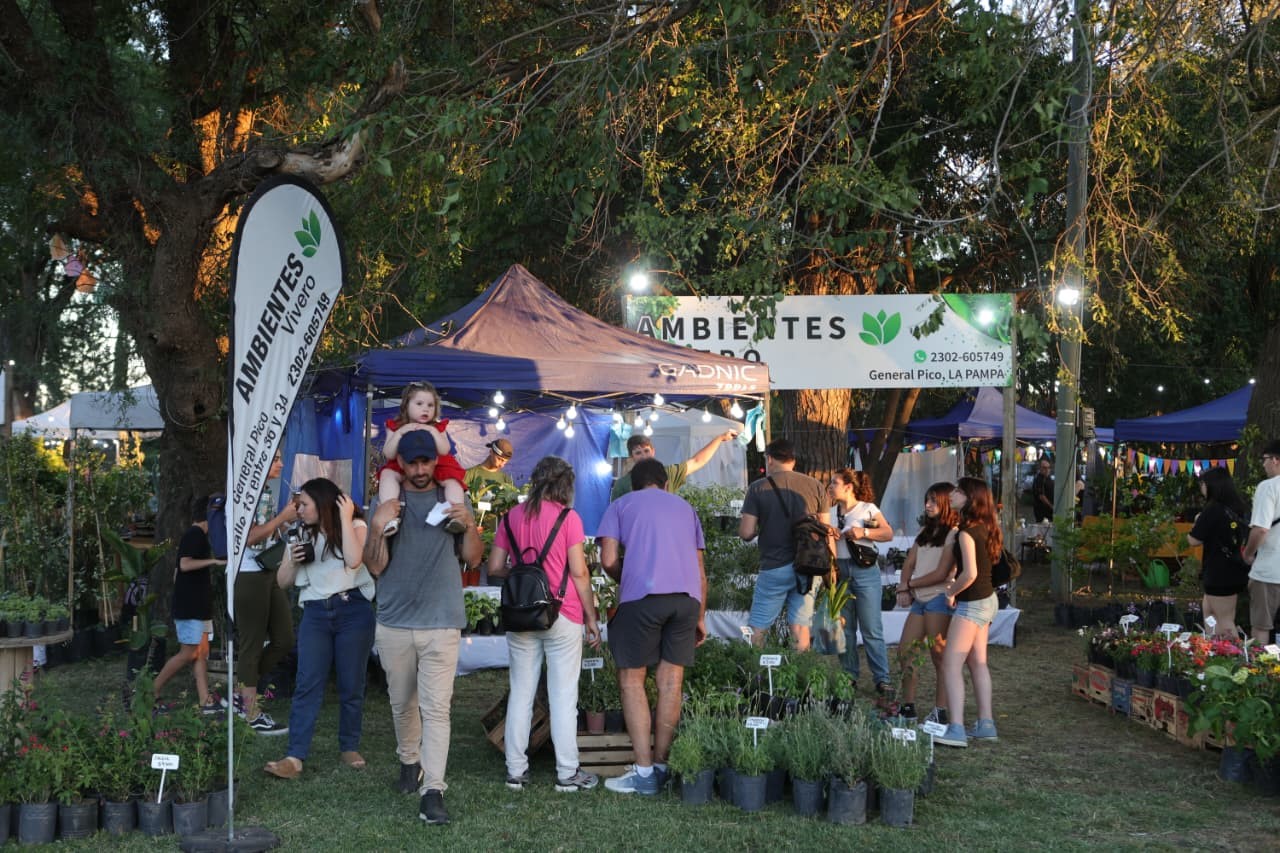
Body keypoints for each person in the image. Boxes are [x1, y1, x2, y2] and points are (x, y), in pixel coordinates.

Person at [363, 430, 483, 826]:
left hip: (442, 621)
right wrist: (378, 527)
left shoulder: (452, 500)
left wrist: (470, 526)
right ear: (402, 464)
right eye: (412, 462)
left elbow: (473, 559)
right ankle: (408, 761)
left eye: (425, 462)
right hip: (394, 620)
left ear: (435, 462)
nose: (418, 470)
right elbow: (374, 566)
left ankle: (433, 790)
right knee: (401, 703)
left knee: (436, 709)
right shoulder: (387, 503)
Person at [488, 456, 602, 793]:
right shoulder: (569, 518)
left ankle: (515, 771)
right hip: (562, 613)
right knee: (563, 696)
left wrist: (524, 574)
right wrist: (592, 618)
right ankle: (567, 773)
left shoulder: (511, 517)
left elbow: (494, 567)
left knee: (521, 692)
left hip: (521, 614)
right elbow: (579, 572)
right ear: (565, 485)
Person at [597, 458, 707, 795]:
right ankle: (661, 764)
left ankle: (643, 774)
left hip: (642, 596)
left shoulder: (620, 504)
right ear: (665, 482)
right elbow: (702, 569)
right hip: (687, 600)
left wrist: (625, 578)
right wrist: (701, 615)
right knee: (671, 682)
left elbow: (608, 559)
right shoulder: (685, 507)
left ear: (634, 482)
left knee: (632, 680)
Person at [264, 479, 375, 780]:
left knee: (352, 682)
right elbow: (283, 582)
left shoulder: (355, 526)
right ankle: (294, 757)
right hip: (315, 612)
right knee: (307, 683)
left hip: (352, 609)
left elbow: (354, 561)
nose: (298, 510)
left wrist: (343, 515)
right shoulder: (298, 534)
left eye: (304, 504)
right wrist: (293, 561)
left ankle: (349, 745)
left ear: (324, 504)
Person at [738, 438, 828, 651]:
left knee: (758, 625)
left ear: (769, 459)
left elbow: (746, 532)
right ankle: (800, 681)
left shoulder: (757, 488)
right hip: (808, 566)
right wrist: (829, 568)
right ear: (793, 460)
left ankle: (756, 678)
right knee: (800, 626)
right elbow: (826, 530)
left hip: (774, 565)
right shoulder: (816, 486)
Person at [935, 477, 1003, 748]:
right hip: (988, 600)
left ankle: (956, 728)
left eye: (959, 491)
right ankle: (986, 723)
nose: (953, 494)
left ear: (971, 498)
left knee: (951, 664)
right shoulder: (987, 527)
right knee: (978, 663)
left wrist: (951, 591)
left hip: (972, 603)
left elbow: (970, 573)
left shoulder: (965, 532)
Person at [236, 452, 296, 735]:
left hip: (266, 570)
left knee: (285, 639)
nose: (281, 464)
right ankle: (250, 712)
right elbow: (248, 538)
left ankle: (243, 690)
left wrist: (283, 523)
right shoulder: (244, 493)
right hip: (248, 574)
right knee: (251, 642)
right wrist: (282, 518)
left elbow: (266, 533)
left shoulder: (264, 492)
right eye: (276, 459)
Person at [894, 482, 959, 723]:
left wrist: (909, 586)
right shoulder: (925, 532)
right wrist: (903, 585)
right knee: (905, 651)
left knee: (938, 655)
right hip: (920, 600)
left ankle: (940, 711)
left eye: (933, 500)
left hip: (939, 599)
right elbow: (909, 562)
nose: (928, 505)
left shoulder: (954, 533)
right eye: (927, 500)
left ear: (945, 503)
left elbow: (942, 573)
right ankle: (908, 707)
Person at [153, 496, 225, 713]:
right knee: (189, 653)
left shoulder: (200, 537)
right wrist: (215, 561)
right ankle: (151, 691)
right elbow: (184, 565)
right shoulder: (194, 535)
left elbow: (177, 573)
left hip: (199, 606)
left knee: (202, 652)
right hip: (190, 608)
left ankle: (205, 700)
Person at [828, 468, 894, 692]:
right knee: (845, 629)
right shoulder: (830, 511)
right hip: (841, 571)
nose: (830, 486)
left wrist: (863, 533)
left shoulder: (867, 509)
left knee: (871, 628)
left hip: (864, 571)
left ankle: (882, 679)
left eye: (834, 483)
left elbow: (887, 533)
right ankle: (849, 676)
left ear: (848, 487)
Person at [379, 381, 468, 535]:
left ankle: (456, 513)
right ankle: (390, 514)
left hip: (437, 462)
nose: (425, 409)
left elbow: (444, 449)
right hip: (403, 462)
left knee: (453, 482)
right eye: (419, 403)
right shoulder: (396, 426)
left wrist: (433, 432)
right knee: (387, 475)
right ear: (406, 405)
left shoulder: (438, 427)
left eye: (430, 405)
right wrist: (400, 433)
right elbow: (389, 453)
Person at [1187, 467, 1250, 639]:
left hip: (1218, 573)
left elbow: (1193, 540)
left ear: (1212, 486)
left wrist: (1197, 522)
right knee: (1210, 614)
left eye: (1203, 484)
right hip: (1232, 570)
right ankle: (1214, 652)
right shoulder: (1236, 508)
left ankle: (1237, 659)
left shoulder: (1212, 510)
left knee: (1225, 621)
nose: (1201, 488)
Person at [610, 429, 739, 499]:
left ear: (653, 451)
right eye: (638, 453)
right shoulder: (622, 484)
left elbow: (697, 461)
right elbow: (615, 519)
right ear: (631, 457)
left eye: (646, 451)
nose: (644, 456)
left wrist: (720, 438)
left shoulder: (668, 473)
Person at [1244, 441, 1280, 645]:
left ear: (1275, 460)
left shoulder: (1269, 487)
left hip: (1270, 570)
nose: (1263, 465)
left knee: (1261, 627)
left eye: (1264, 460)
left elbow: (1260, 529)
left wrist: (1248, 553)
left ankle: (1261, 674)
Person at [1030, 458, 1054, 523]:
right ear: (1040, 468)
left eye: (1048, 468)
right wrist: (1052, 506)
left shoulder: (1049, 478)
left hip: (1050, 512)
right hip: (1042, 512)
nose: (1047, 470)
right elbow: (1042, 496)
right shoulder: (1039, 479)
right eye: (1044, 468)